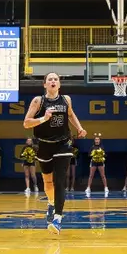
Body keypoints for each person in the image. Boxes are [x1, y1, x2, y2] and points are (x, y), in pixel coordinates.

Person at [24, 72, 87, 231]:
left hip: (63, 144)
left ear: (59, 84)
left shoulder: (66, 100)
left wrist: (79, 128)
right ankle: (51, 203)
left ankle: (57, 219)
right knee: (48, 182)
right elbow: (26, 123)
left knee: (60, 181)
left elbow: (71, 115)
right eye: (49, 79)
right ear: (45, 84)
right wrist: (43, 119)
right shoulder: (38, 101)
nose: (53, 81)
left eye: (56, 79)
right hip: (44, 145)